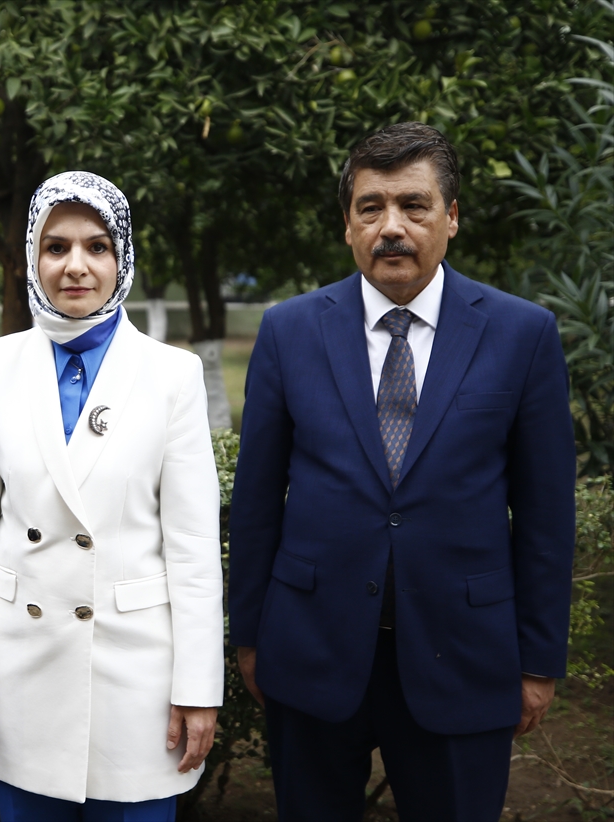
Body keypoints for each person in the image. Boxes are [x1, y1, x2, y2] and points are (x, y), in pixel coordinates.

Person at [228, 122, 576, 821]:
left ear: (451, 217)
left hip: (465, 656)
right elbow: (257, 499)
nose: (392, 226)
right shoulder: (289, 330)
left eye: (413, 206)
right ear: (348, 225)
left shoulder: (522, 334)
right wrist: (250, 636)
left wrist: (539, 660)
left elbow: (544, 513)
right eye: (370, 207)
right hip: (311, 651)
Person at [0, 171, 223, 821]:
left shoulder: (173, 375)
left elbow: (193, 547)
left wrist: (199, 688)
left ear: (122, 258)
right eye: (56, 246)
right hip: (21, 672)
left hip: (137, 679)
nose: (76, 265)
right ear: (31, 259)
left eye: (97, 246)